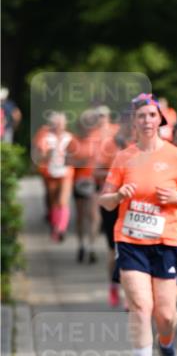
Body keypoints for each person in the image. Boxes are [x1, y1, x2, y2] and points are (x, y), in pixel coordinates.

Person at [99, 94, 177, 356]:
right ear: (134, 121)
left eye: (151, 115)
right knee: (141, 306)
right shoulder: (123, 157)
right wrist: (118, 196)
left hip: (166, 241)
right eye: (140, 115)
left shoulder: (175, 156)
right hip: (130, 240)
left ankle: (166, 344)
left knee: (166, 315)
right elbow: (105, 200)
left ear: (160, 120)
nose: (146, 120)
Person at [96, 110, 134, 307]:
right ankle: (113, 284)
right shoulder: (109, 145)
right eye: (126, 122)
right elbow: (97, 172)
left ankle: (130, 293)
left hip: (134, 205)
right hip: (113, 202)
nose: (130, 126)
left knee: (131, 249)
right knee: (114, 249)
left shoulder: (140, 146)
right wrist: (116, 176)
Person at [32, 111, 75, 241]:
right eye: (56, 123)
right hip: (50, 172)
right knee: (53, 201)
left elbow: (76, 154)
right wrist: (47, 155)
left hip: (66, 172)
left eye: (61, 123)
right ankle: (54, 225)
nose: (59, 126)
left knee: (63, 201)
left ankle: (61, 229)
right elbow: (38, 156)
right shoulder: (45, 136)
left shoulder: (70, 137)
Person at [69, 109, 102, 263]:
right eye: (85, 123)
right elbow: (67, 161)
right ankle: (81, 245)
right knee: (81, 215)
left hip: (95, 181)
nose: (88, 127)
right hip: (79, 181)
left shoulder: (99, 140)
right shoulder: (73, 141)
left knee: (93, 215)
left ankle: (91, 246)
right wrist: (80, 162)